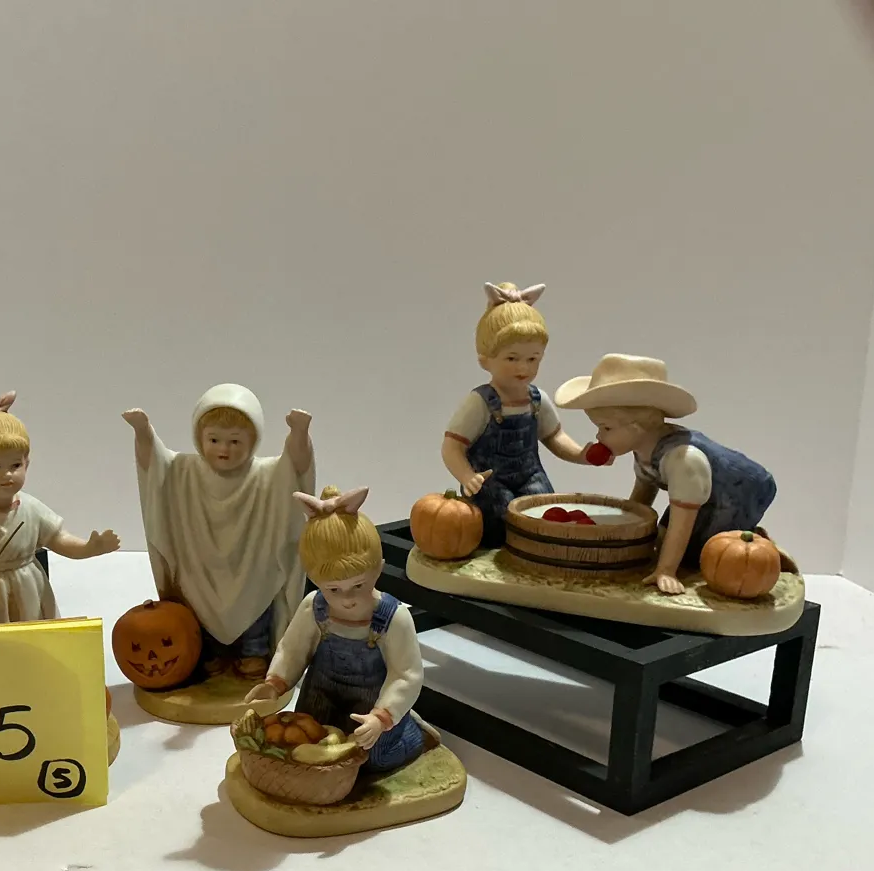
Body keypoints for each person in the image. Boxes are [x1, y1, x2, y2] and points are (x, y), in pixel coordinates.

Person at [124, 384, 315, 681]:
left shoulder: (265, 474)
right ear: (199, 438)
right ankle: (208, 651)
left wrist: (299, 434)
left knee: (256, 600)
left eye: (235, 441)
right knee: (198, 606)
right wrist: (143, 432)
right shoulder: (185, 470)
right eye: (214, 439)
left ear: (253, 441)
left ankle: (253, 650)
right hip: (201, 567)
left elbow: (295, 468)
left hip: (250, 564)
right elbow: (156, 465)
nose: (224, 449)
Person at [556, 354, 780, 594]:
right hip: (698, 492)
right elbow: (640, 502)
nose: (599, 436)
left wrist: (666, 570)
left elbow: (683, 519)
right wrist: (627, 540)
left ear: (637, 427)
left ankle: (759, 548)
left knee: (702, 558)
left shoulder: (682, 460)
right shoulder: (643, 448)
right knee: (661, 539)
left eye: (606, 428)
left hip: (739, 493)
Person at [245, 485, 425, 774]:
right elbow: (292, 650)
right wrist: (275, 683)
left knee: (371, 757)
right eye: (334, 589)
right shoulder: (313, 607)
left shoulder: (394, 617)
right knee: (306, 743)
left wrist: (381, 717)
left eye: (358, 585)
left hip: (372, 699)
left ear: (378, 569)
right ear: (315, 580)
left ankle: (411, 734)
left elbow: (407, 674)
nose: (347, 599)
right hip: (322, 691)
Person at [442, 282, 606, 547]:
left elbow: (555, 437)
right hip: (490, 482)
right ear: (485, 360)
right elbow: (452, 447)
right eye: (512, 358)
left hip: (531, 476)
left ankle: (538, 557)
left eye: (533, 359)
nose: (524, 368)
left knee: (544, 513)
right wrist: (466, 476)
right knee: (502, 519)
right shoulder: (480, 403)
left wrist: (582, 455)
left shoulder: (536, 399)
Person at [0, 392, 120, 627]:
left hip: (29, 589)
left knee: (32, 636)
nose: (7, 474)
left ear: (27, 464)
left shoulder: (30, 507)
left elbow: (58, 539)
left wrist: (88, 548)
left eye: (15, 465)